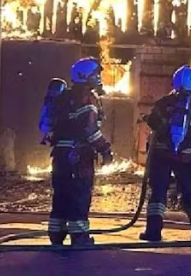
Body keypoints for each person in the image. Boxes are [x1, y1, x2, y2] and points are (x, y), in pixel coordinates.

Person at [47, 57, 114, 247]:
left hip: (60, 155)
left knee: (61, 193)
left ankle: (56, 234)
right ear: (85, 76)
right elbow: (90, 131)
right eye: (95, 74)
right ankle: (79, 237)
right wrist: (105, 149)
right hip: (79, 157)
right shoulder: (88, 98)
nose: (98, 78)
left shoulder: (64, 97)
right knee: (79, 195)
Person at [139, 65, 191, 241]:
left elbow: (153, 123)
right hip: (184, 156)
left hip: (162, 154)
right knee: (189, 189)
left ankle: (153, 231)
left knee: (158, 190)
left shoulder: (163, 103)